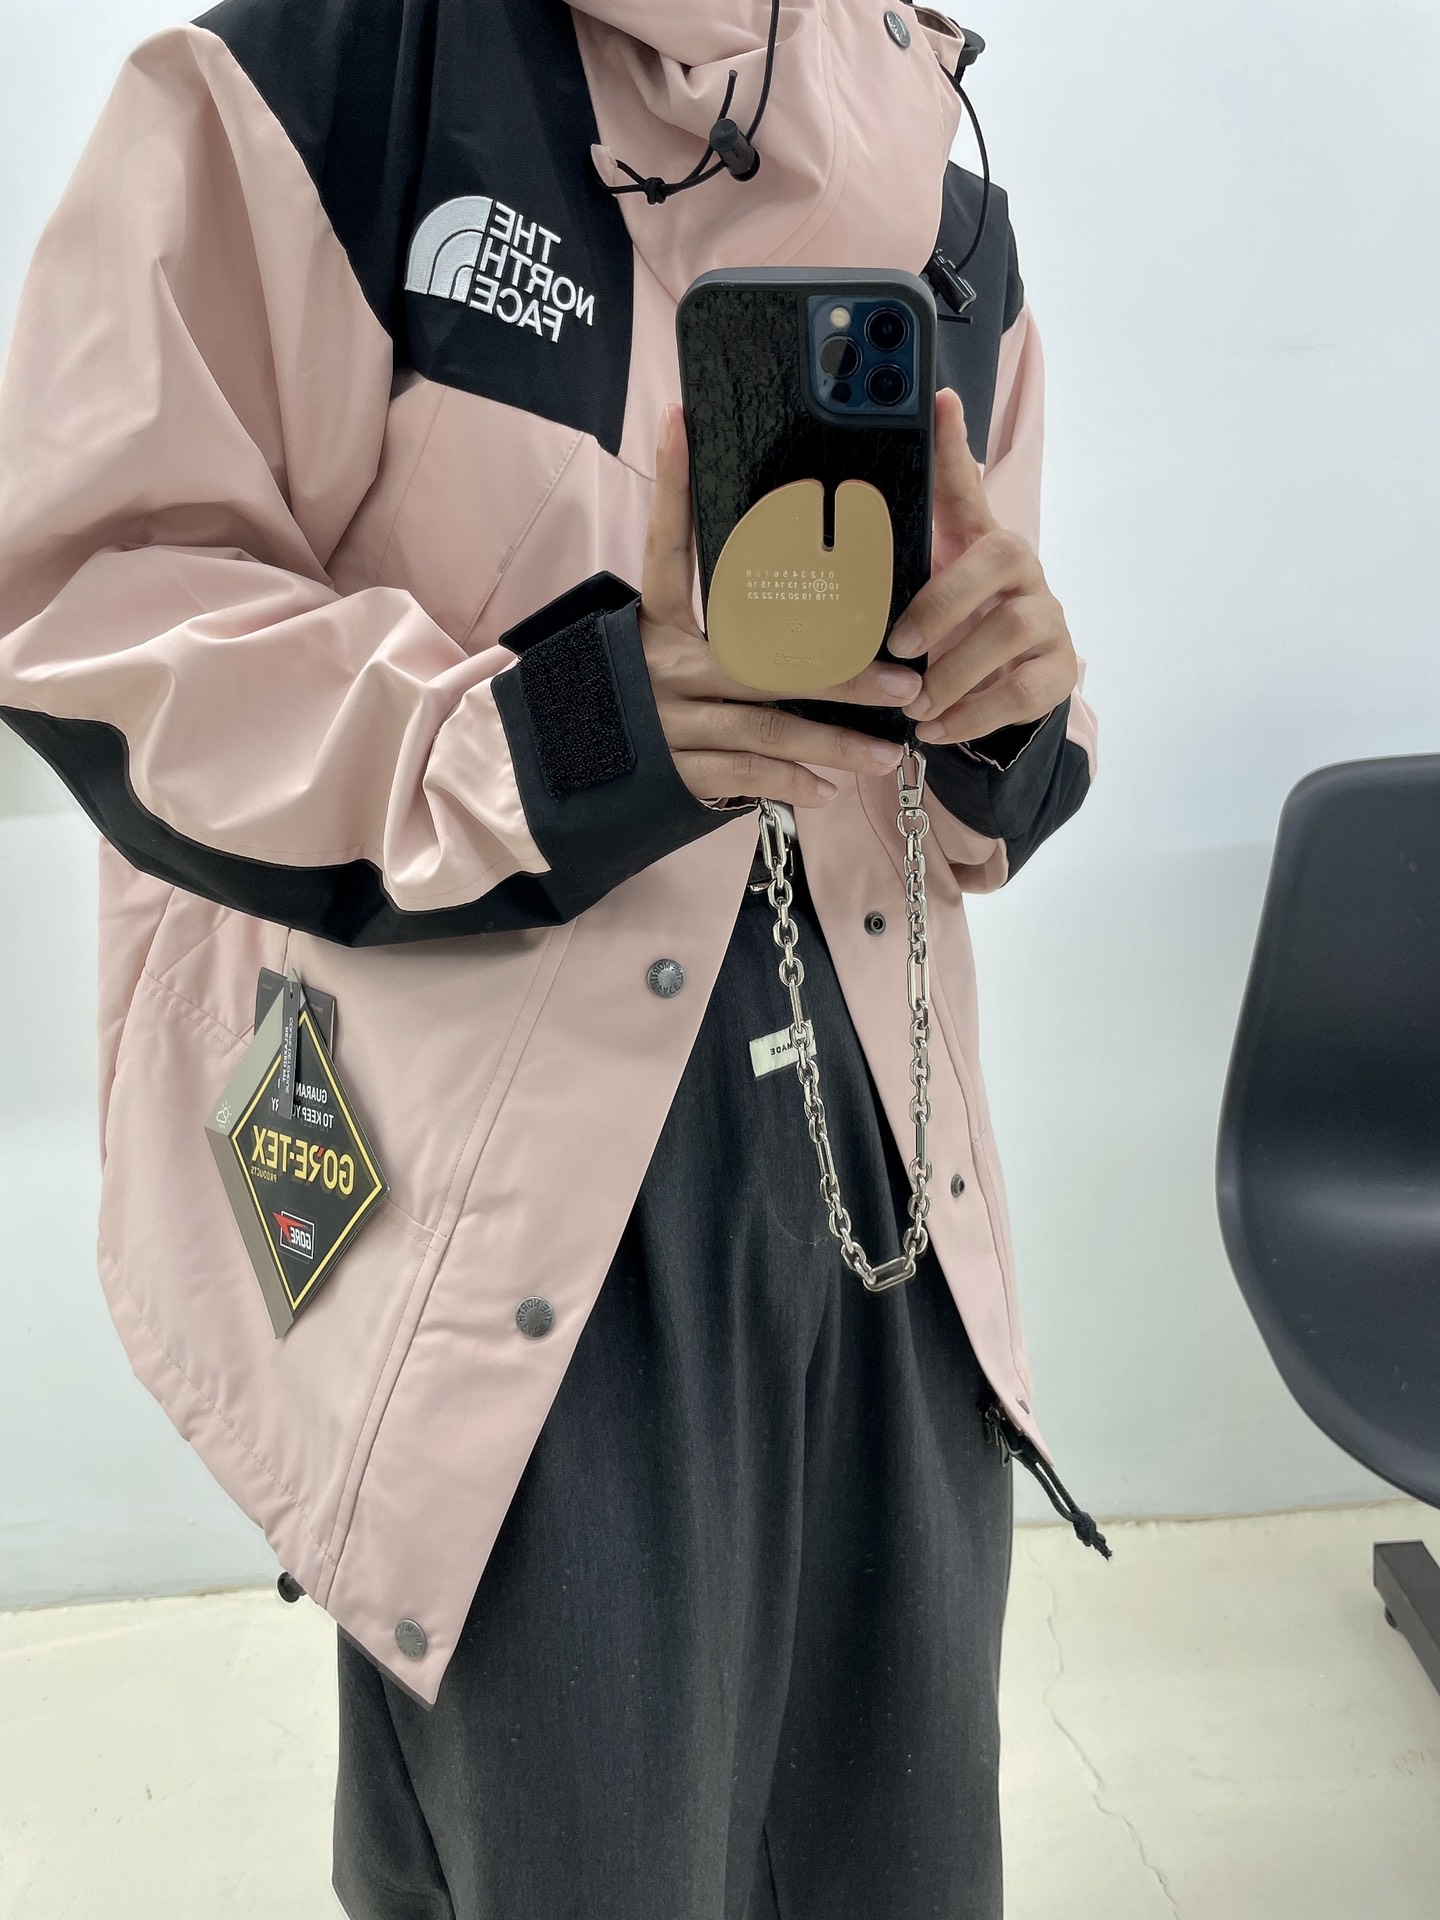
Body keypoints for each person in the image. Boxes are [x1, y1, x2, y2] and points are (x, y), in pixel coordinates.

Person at [0, 1, 1099, 1913]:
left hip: (884, 1186)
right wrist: (574, 731)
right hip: (515, 1211)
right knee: (577, 1849)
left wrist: (1010, 719)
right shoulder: (332, 81)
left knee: (898, 1848)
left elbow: (950, 774)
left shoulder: (943, 195)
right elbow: (90, 603)